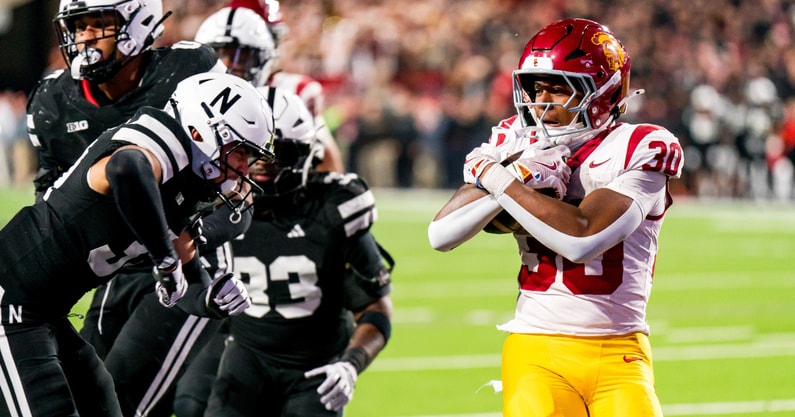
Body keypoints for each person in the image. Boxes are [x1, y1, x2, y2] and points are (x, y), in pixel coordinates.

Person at [427, 18, 683, 417]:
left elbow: (582, 239)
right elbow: (441, 234)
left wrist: (503, 178)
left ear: (604, 92)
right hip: (535, 349)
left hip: (620, 351)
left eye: (560, 87)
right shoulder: (515, 138)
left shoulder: (639, 146)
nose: (542, 101)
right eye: (536, 88)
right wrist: (517, 174)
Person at [25, 1, 249, 415]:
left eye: (98, 23)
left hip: (187, 267)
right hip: (114, 267)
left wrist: (197, 238)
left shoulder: (189, 72)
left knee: (122, 400)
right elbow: (49, 191)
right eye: (79, 25)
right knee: (82, 396)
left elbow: (239, 189)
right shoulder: (52, 102)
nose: (86, 36)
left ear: (140, 21)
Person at [173, 85, 394, 417]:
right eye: (248, 153)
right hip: (243, 357)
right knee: (188, 404)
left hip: (315, 370)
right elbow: (178, 284)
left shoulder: (334, 209)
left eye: (277, 156)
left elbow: (375, 310)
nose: (261, 167)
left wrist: (350, 364)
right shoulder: (211, 205)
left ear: (307, 155)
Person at [194, 1, 346, 173]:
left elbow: (327, 169)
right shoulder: (189, 94)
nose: (231, 66)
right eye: (222, 54)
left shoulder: (293, 92)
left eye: (243, 57)